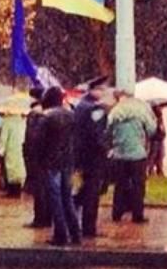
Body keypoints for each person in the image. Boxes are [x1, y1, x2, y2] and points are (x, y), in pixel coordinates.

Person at [38, 86, 81, 246]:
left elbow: (39, 143)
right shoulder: (71, 115)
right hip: (67, 161)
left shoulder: (46, 118)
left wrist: (39, 161)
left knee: (55, 199)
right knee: (67, 198)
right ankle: (75, 233)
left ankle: (61, 234)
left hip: (51, 162)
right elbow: (76, 140)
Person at [108, 89, 157, 224]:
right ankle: (137, 215)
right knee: (138, 186)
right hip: (137, 155)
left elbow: (108, 130)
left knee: (120, 185)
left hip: (120, 154)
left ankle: (116, 213)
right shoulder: (140, 111)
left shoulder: (114, 112)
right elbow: (152, 129)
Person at [73, 76, 109, 238]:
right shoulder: (95, 109)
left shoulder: (80, 106)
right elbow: (97, 135)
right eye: (101, 89)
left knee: (83, 191)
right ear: (94, 90)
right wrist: (107, 150)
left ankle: (72, 218)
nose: (103, 92)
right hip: (94, 158)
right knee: (91, 194)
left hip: (81, 156)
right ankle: (89, 229)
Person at [23, 88, 51, 228]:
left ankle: (40, 219)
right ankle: (46, 217)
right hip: (47, 158)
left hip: (37, 159)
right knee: (46, 189)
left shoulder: (35, 115)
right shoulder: (47, 113)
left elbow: (32, 139)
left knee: (39, 189)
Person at [0, 111, 27, 197]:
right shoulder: (22, 120)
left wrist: (0, 151)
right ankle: (18, 189)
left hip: (10, 147)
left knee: (10, 169)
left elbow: (4, 137)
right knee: (18, 168)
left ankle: (12, 191)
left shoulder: (7, 121)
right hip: (20, 147)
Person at [147, 104, 166, 176]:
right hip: (155, 140)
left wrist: (163, 133)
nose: (160, 110)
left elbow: (163, 129)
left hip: (160, 139)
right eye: (159, 108)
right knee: (153, 155)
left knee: (161, 155)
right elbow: (152, 129)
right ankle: (151, 170)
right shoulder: (153, 119)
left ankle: (159, 169)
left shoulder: (161, 119)